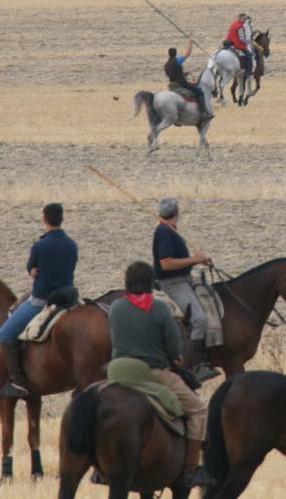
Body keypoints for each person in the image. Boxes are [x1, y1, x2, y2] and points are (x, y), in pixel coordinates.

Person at [107, 260, 211, 489]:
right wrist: (175, 357)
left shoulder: (116, 307)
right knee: (198, 410)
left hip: (119, 372)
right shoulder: (161, 308)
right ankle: (191, 471)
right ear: (150, 283)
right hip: (152, 373)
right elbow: (174, 346)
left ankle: (101, 469)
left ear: (127, 283)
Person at [0, 203, 78, 397]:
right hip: (69, 297)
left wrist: (34, 271)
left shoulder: (40, 246)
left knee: (5, 334)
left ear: (45, 219)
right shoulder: (72, 244)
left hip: (42, 301)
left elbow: (32, 270)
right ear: (61, 218)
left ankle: (18, 382)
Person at [152, 197, 218, 383]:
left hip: (185, 278)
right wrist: (195, 260)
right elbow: (166, 264)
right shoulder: (164, 232)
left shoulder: (169, 230)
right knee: (199, 318)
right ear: (178, 214)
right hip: (173, 282)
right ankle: (196, 366)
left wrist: (196, 261)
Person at [164, 43, 212, 118]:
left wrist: (185, 73)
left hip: (172, 85)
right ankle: (203, 113)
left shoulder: (166, 65)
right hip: (181, 84)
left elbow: (173, 75)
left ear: (168, 54)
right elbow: (188, 53)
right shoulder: (177, 61)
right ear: (176, 54)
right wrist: (190, 43)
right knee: (200, 92)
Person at [226, 13, 255, 80]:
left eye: (245, 19)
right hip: (237, 44)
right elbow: (242, 38)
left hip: (229, 43)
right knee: (249, 55)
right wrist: (250, 42)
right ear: (240, 18)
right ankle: (249, 72)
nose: (245, 20)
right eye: (244, 19)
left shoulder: (234, 23)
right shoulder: (239, 27)